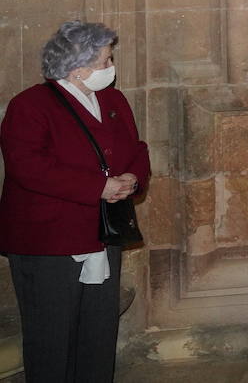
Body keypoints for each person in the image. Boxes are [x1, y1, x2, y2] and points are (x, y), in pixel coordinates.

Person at [0, 21, 149, 383]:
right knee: (51, 337)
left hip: (101, 232)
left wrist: (133, 178)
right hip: (48, 241)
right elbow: (28, 167)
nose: (111, 68)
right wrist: (96, 187)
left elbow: (136, 149)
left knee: (98, 334)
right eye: (105, 61)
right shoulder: (30, 105)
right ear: (78, 68)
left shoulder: (112, 100)